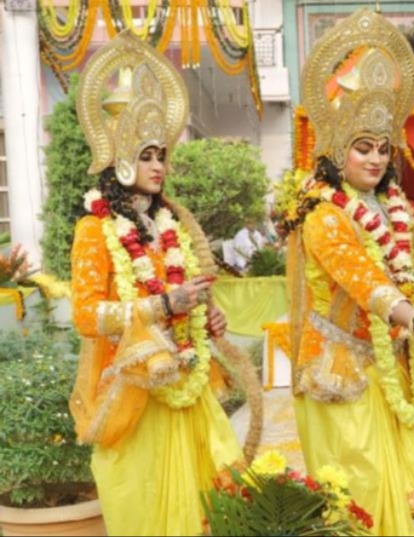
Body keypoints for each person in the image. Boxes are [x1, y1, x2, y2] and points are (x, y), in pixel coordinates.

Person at [286, 9, 414, 535]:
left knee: (390, 492)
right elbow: (365, 281)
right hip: (338, 370)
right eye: (361, 148)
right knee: (358, 493)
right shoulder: (322, 214)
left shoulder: (394, 204)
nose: (373, 159)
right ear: (335, 151)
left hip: (386, 361)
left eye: (381, 149)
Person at [69, 33, 242, 535]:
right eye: (146, 156)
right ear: (120, 159)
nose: (159, 167)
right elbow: (87, 315)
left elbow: (184, 295)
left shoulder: (169, 225)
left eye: (162, 155)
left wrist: (203, 316)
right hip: (134, 392)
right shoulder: (95, 229)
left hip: (185, 379)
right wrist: (161, 304)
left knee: (205, 499)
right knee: (143, 508)